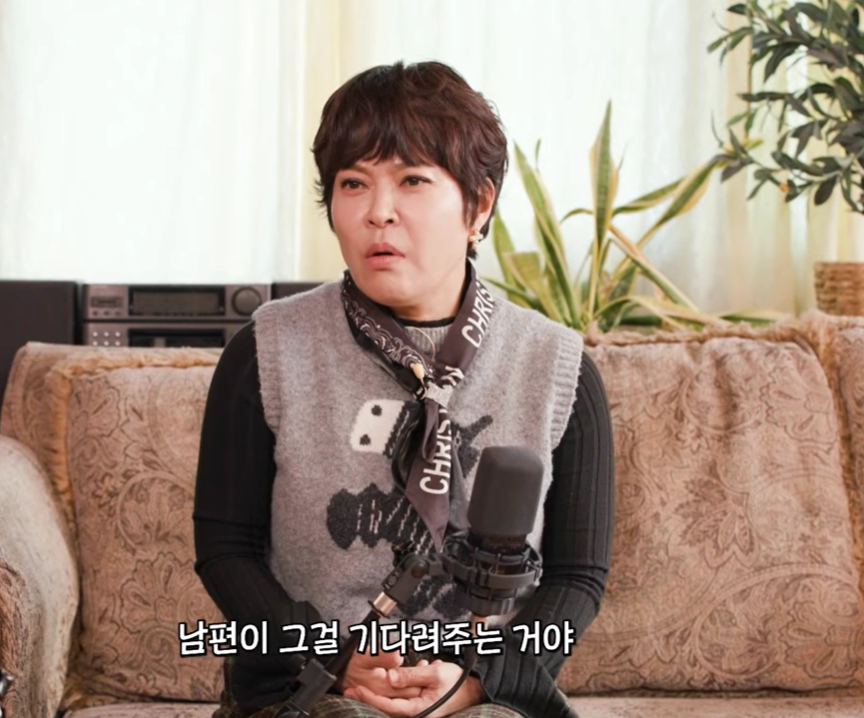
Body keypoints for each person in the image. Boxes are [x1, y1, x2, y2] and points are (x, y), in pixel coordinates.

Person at [193, 60, 614, 718]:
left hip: (480, 691)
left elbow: (577, 578)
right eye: (352, 183)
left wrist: (475, 680)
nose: (377, 212)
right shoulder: (266, 351)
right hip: (308, 685)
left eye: (412, 180)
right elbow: (226, 551)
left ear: (478, 205)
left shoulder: (558, 367)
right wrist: (331, 658)